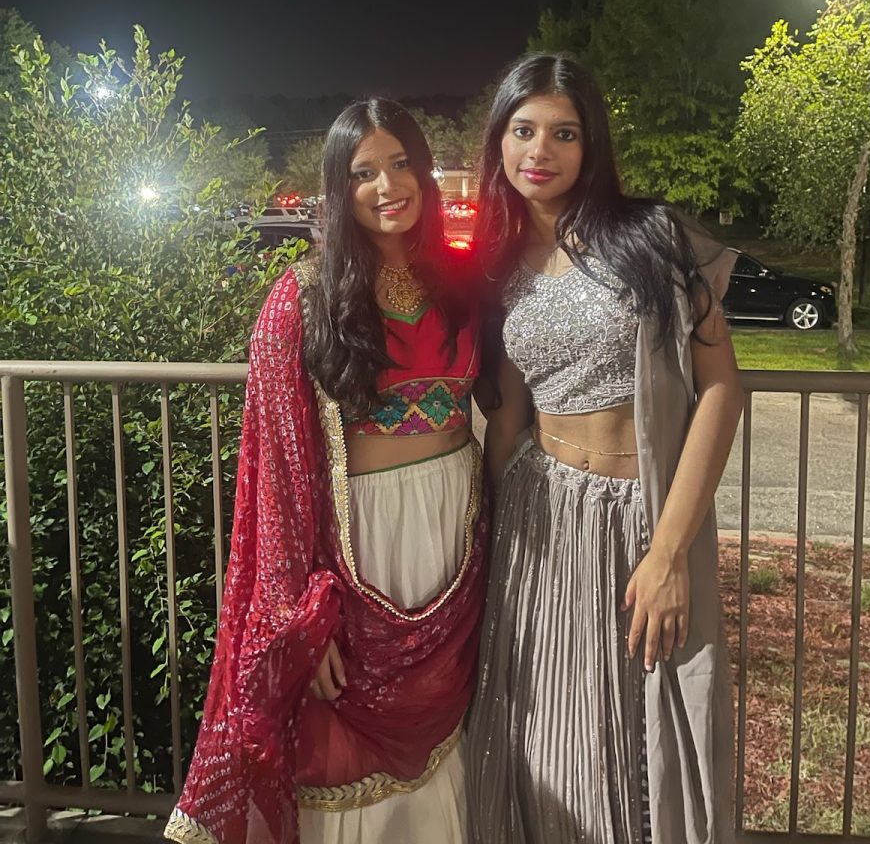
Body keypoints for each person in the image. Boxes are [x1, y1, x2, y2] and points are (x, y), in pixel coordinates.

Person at [165, 99, 488, 844]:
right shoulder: (301, 298)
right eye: (363, 172)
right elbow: (274, 477)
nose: (387, 185)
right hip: (360, 546)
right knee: (341, 753)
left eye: (401, 163)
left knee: (446, 753)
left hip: (452, 543)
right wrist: (298, 622)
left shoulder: (463, 285)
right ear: (338, 191)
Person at [465, 54, 743, 844]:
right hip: (538, 519)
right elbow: (508, 419)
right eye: (522, 131)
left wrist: (669, 552)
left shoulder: (652, 238)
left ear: (592, 145)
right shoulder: (499, 265)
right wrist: (489, 553)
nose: (539, 151)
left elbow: (720, 394)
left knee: (640, 729)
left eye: (563, 133)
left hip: (642, 520)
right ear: (499, 142)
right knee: (544, 732)